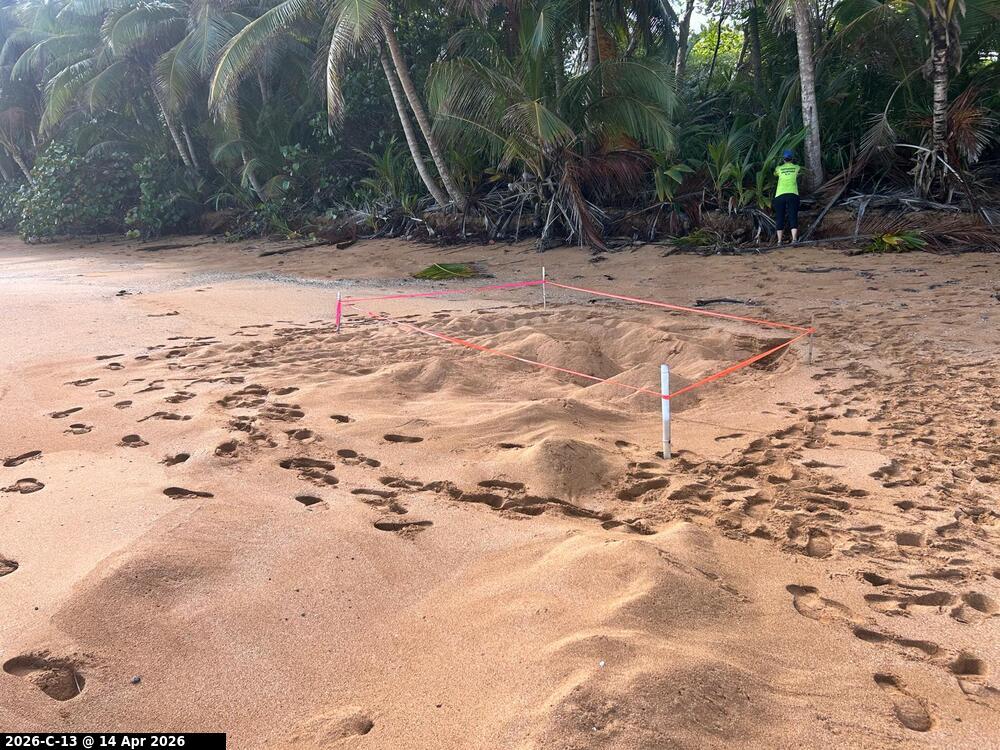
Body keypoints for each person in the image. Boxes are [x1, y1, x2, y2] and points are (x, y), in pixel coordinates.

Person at [773, 149, 801, 244]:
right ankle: (794, 239)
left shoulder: (778, 168)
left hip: (780, 195)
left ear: (783, 159)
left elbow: (775, 174)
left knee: (779, 217)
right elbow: (799, 172)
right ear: (792, 159)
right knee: (793, 215)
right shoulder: (797, 167)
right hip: (793, 194)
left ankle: (779, 241)